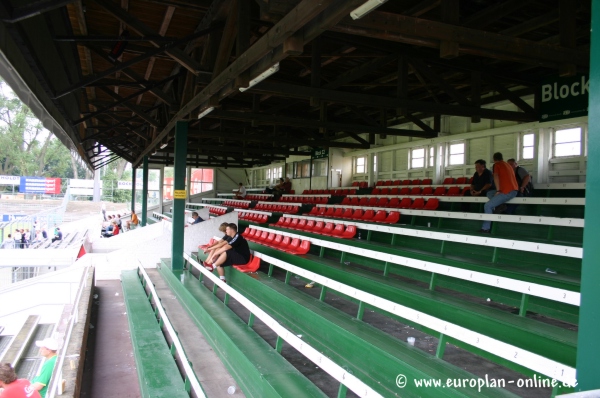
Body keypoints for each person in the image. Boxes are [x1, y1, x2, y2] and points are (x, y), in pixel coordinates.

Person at [480, 152, 518, 233]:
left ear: (494, 159)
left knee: (488, 205)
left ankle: (485, 228)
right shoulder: (507, 165)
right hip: (513, 189)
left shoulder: (497, 165)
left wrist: (498, 190)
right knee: (489, 193)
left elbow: (496, 176)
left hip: (507, 191)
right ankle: (500, 205)